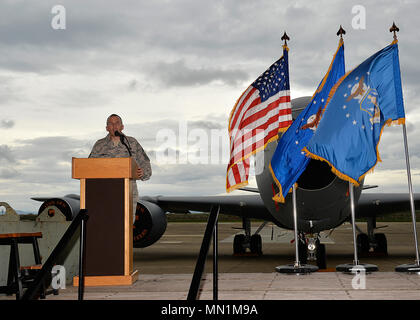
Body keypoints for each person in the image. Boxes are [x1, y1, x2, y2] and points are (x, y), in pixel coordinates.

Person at [89, 114, 152, 219]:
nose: (114, 126)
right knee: (106, 225)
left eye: (117, 123)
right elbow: (89, 167)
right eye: (111, 123)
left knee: (126, 227)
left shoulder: (132, 142)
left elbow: (145, 163)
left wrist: (143, 173)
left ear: (122, 126)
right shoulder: (99, 145)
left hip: (128, 192)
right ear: (107, 128)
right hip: (104, 192)